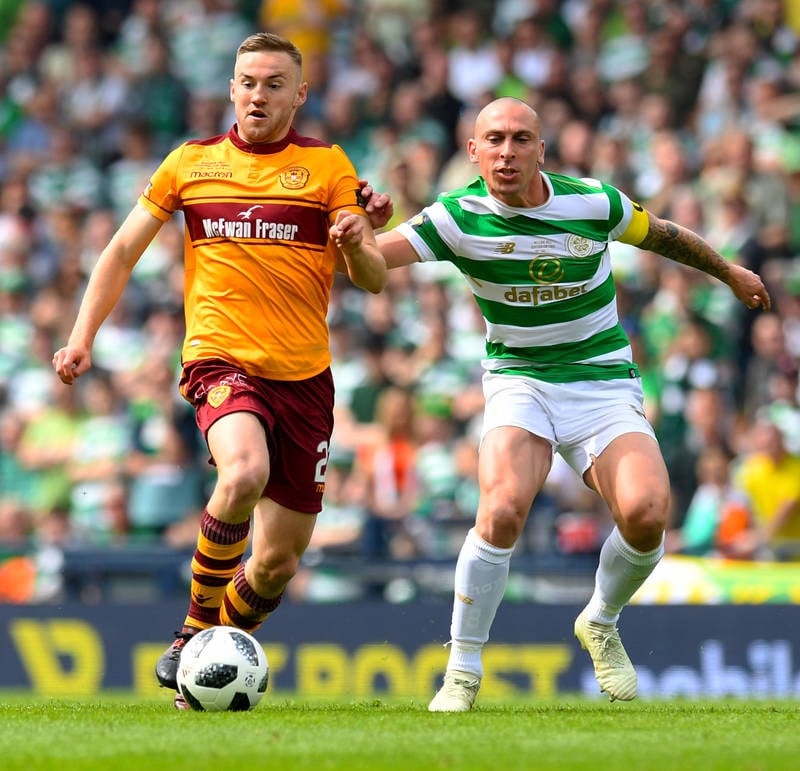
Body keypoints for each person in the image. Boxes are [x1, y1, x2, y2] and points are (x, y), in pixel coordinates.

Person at [371, 97, 771, 711]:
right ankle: (462, 670)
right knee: (502, 507)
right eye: (495, 140)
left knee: (646, 513)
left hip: (601, 380)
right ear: (473, 152)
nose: (507, 152)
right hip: (519, 379)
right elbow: (373, 263)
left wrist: (729, 272)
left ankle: (601, 621)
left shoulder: (591, 201)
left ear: (541, 148)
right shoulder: (454, 218)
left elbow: (664, 236)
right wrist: (350, 238)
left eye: (521, 139)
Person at [52, 32, 388, 708]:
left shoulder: (328, 167)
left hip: (305, 379)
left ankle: (207, 664)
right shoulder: (191, 162)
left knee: (275, 563)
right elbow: (120, 251)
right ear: (231, 89)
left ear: (299, 93)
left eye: (272, 83)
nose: (257, 93)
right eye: (247, 81)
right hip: (221, 359)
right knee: (242, 472)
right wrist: (81, 335)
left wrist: (358, 243)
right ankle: (194, 631)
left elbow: (374, 280)